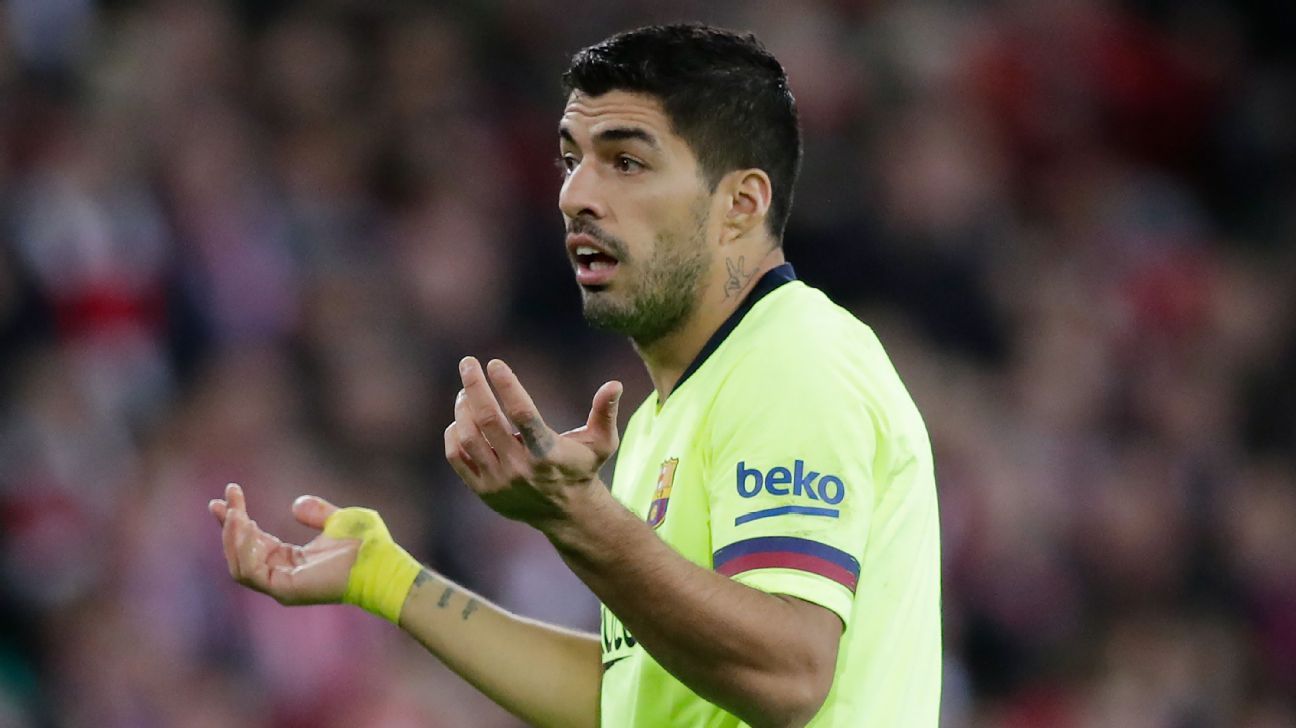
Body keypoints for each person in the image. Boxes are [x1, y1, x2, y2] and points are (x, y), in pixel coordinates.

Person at [209, 23, 941, 727]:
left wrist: (577, 515)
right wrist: (388, 578)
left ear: (740, 205)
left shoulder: (793, 361)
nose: (574, 195)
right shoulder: (665, 416)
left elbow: (790, 677)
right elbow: (630, 702)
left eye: (626, 162)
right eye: (571, 160)